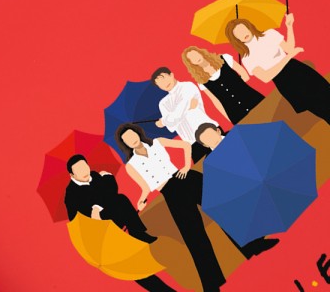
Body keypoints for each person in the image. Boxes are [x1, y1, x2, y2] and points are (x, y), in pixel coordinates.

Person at [115, 123, 226, 292]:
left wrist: (186, 166)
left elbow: (185, 145)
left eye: (132, 135)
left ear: (138, 133)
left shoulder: (157, 142)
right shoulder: (131, 165)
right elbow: (145, 187)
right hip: (170, 193)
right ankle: (212, 283)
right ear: (125, 144)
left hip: (186, 179)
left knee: (222, 209)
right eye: (127, 139)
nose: (132, 139)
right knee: (193, 236)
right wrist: (141, 200)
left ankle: (251, 246)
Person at [65, 155, 176, 292]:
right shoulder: (71, 194)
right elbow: (79, 219)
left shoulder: (94, 176)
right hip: (98, 232)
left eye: (84, 166)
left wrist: (107, 180)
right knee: (132, 267)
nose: (84, 171)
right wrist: (95, 210)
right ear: (72, 175)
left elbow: (112, 192)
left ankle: (138, 233)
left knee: (120, 199)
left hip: (110, 216)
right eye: (78, 169)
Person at [194, 123, 280, 258]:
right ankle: (254, 245)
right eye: (207, 140)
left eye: (211, 135)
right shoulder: (208, 161)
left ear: (218, 131)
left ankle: (259, 237)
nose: (211, 140)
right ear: (204, 145)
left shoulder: (236, 136)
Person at [225, 14, 330, 125]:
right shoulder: (247, 57)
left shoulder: (269, 34)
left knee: (326, 92)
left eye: (242, 29)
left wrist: (289, 26)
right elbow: (266, 77)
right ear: (236, 39)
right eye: (238, 34)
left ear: (248, 26)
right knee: (319, 108)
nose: (243, 34)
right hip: (285, 82)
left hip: (298, 70)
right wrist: (288, 57)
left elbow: (289, 48)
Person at [151, 67, 220, 163]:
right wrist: (187, 109)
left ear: (171, 75)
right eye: (159, 83)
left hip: (210, 131)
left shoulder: (187, 86)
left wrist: (165, 120)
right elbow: (171, 127)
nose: (164, 83)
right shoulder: (163, 103)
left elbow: (178, 112)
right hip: (191, 142)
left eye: (164, 78)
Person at [181, 46, 265, 124]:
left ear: (200, 52)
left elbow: (244, 75)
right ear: (191, 63)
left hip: (252, 99)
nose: (195, 58)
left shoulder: (224, 58)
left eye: (195, 54)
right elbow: (216, 101)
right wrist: (229, 119)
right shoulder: (201, 81)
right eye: (192, 58)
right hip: (236, 113)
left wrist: (238, 86)